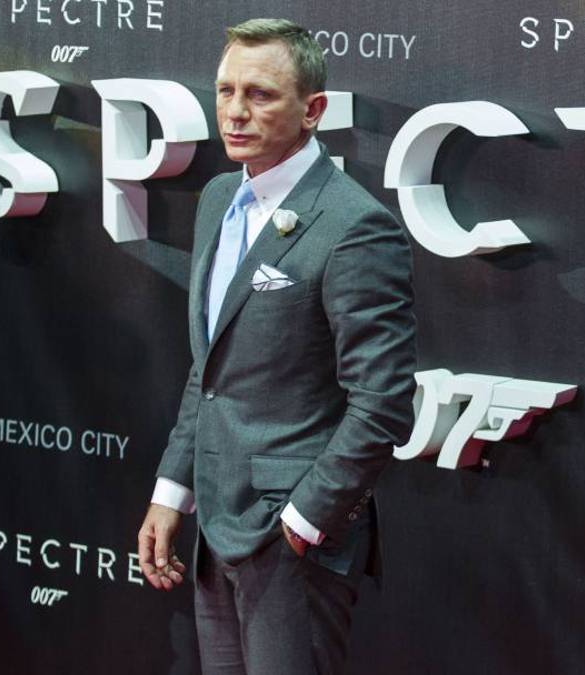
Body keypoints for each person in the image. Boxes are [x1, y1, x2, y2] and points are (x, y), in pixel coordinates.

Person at [134, 17, 417, 674]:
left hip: (294, 546)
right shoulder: (217, 197)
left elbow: (383, 402)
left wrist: (304, 521)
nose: (235, 111)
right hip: (215, 528)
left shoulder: (355, 226)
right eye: (225, 91)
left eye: (259, 94)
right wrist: (171, 491)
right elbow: (212, 368)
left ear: (312, 110)